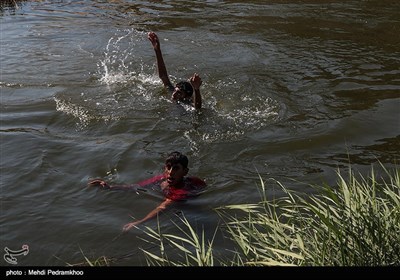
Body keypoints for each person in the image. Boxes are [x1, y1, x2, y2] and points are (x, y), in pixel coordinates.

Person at [88, 151, 207, 232]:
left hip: (188, 204)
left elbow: (163, 207)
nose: (170, 172)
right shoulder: (161, 179)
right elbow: (135, 187)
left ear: (185, 172)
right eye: (168, 167)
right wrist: (111, 187)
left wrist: (140, 222)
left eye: (176, 169)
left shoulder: (182, 190)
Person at [148, 31, 203, 110]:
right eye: (175, 91)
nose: (174, 94)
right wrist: (157, 50)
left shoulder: (186, 104)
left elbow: (197, 108)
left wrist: (197, 89)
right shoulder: (173, 92)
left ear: (186, 97)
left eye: (179, 93)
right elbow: (163, 76)